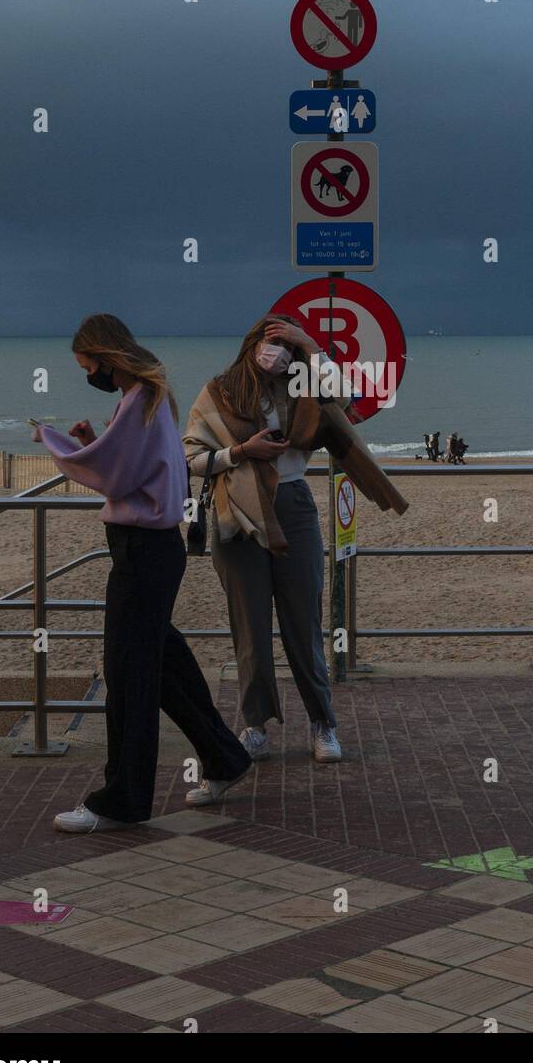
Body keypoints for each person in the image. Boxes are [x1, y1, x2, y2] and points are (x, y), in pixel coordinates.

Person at [34, 314, 251, 834]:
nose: (91, 375)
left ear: (108, 358)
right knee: (162, 669)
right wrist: (97, 437)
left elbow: (115, 476)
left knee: (129, 676)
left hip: (142, 551)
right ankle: (224, 758)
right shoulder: (146, 399)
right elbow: (133, 463)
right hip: (153, 549)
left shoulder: (140, 401)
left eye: (90, 366)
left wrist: (59, 444)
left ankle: (123, 801)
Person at [183, 313, 408, 766]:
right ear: (250, 345)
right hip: (239, 512)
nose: (276, 355)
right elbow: (192, 456)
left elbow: (345, 400)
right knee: (249, 626)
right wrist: (244, 452)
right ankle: (254, 726)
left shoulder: (306, 387)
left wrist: (310, 344)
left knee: (303, 622)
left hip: (293, 505)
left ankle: (323, 723)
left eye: (286, 347)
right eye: (270, 343)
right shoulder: (219, 391)